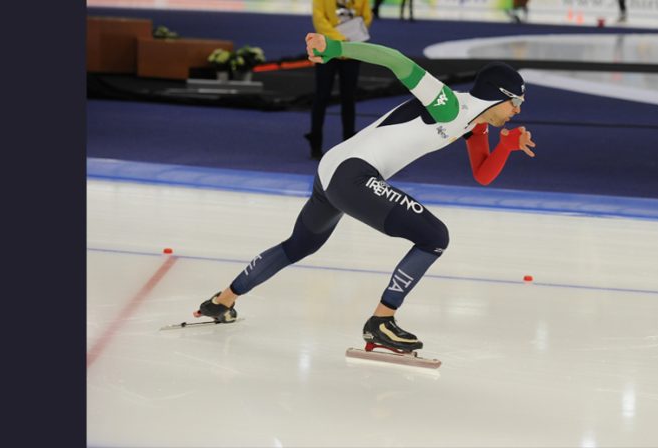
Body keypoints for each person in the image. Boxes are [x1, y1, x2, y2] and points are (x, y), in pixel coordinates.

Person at [195, 33, 537, 354]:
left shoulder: (474, 126)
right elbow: (395, 60)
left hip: (334, 170)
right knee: (435, 237)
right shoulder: (449, 105)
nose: (517, 111)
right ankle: (382, 320)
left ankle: (222, 300)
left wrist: (506, 147)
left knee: (300, 245)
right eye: (515, 102)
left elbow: (482, 175)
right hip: (352, 174)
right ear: (496, 94)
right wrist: (333, 47)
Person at [306, 0, 374, 160]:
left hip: (351, 50)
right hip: (327, 48)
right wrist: (341, 40)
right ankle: (315, 141)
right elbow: (319, 19)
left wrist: (355, 37)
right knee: (322, 96)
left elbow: (366, 16)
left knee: (349, 97)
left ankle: (348, 144)